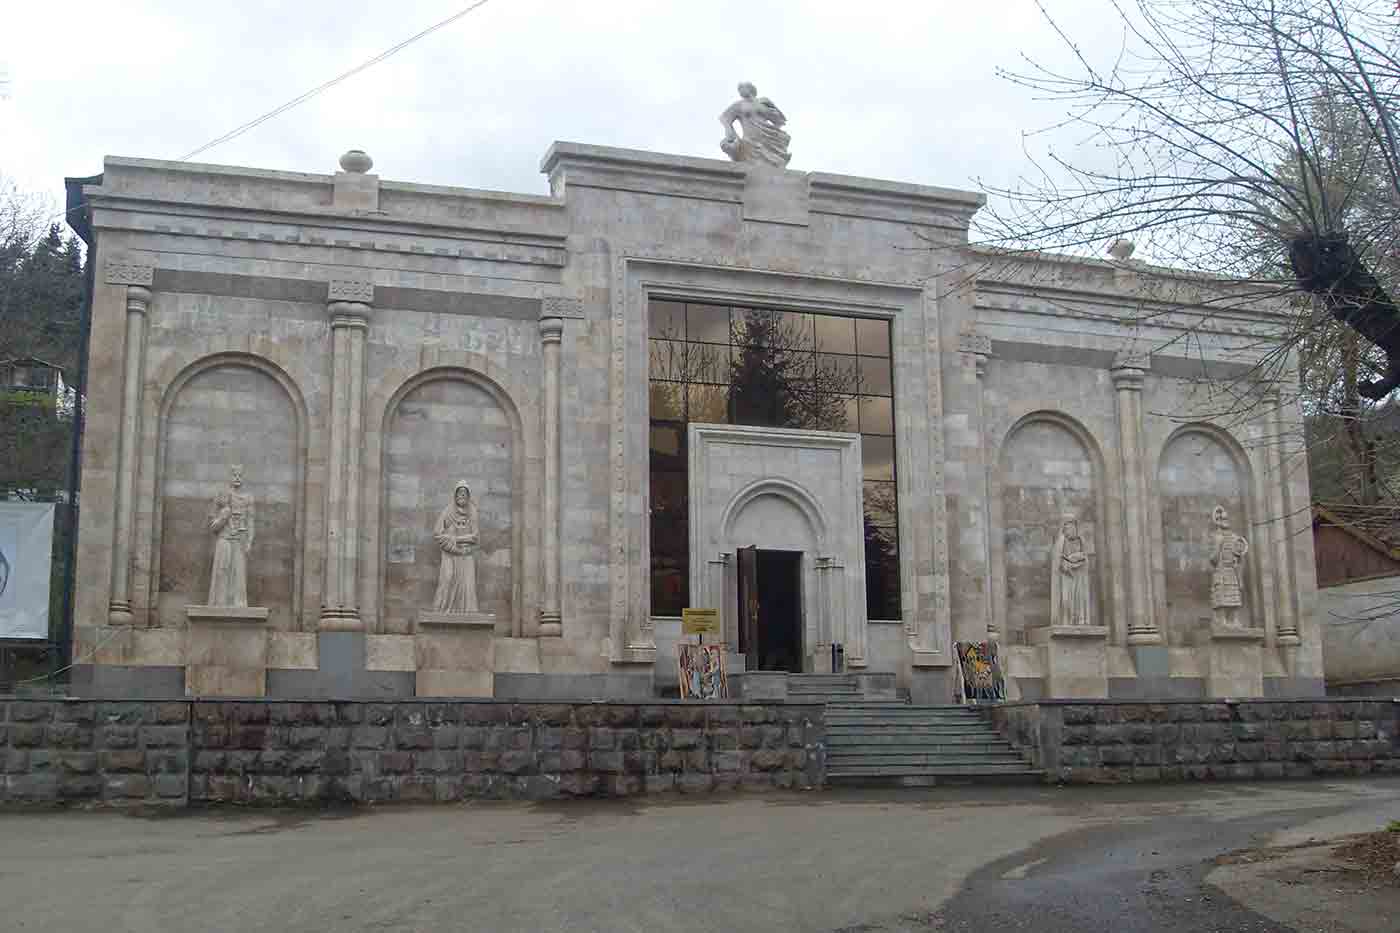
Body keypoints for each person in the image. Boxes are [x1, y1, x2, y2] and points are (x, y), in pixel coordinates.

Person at [207, 465, 253, 607]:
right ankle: (219, 603)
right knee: (222, 571)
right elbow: (212, 526)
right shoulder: (221, 497)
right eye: (234, 475)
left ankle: (238, 604)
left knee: (239, 575)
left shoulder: (248, 498)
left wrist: (249, 541)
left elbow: (250, 522)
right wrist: (223, 518)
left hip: (240, 541)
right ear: (229, 477)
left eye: (240, 475)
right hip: (224, 539)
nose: (237, 478)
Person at [432, 480, 480, 613]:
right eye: (460, 493)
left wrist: (455, 539)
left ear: (468, 496)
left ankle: (467, 612)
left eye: (465, 493)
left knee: (468, 586)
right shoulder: (448, 511)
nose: (462, 496)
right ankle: (442, 610)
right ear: (455, 495)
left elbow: (475, 537)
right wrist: (456, 541)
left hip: (466, 555)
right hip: (449, 554)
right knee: (447, 579)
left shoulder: (473, 512)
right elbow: (437, 534)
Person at [720, 81, 792, 168]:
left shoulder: (764, 101)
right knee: (752, 160)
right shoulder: (739, 105)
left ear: (750, 89)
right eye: (739, 90)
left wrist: (771, 111)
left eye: (742, 88)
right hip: (750, 137)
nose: (740, 92)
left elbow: (779, 120)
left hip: (768, 134)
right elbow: (724, 117)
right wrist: (729, 130)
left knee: (773, 159)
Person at [1209, 505, 1250, 627]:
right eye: (1222, 519)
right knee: (1221, 595)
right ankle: (1222, 620)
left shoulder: (1235, 538)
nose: (1224, 521)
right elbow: (1213, 560)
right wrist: (1219, 544)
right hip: (1220, 570)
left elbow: (1240, 558)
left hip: (1232, 571)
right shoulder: (1216, 537)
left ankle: (1235, 620)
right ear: (1217, 521)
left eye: (1226, 519)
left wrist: (1240, 579)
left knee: (1234, 596)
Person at [1050, 514, 1092, 626]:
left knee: (1079, 601)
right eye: (1068, 528)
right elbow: (1057, 562)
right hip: (1066, 578)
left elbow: (1086, 558)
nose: (1071, 530)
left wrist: (1079, 560)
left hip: (1079, 578)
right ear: (1064, 529)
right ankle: (1066, 621)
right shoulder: (1061, 542)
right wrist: (1066, 564)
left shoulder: (1081, 541)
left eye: (1073, 527)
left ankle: (1079, 620)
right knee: (1066, 601)